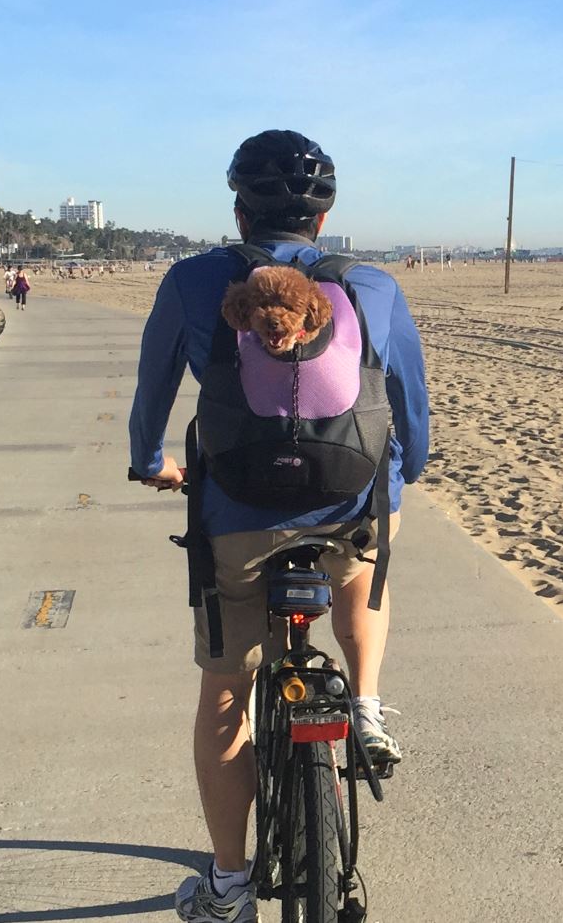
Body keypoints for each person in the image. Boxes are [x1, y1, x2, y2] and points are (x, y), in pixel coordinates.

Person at [129, 130, 428, 923]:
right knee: (362, 572)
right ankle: (363, 705)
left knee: (227, 690)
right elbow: (411, 405)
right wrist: (404, 477)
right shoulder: (371, 285)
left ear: (237, 210)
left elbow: (154, 383)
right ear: (324, 219)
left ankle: (230, 887)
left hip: (235, 509)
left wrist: (148, 459)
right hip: (347, 499)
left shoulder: (196, 280)